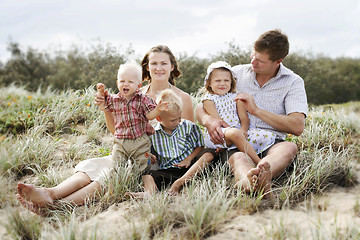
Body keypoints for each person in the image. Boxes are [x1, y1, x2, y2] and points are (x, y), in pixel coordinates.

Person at [16, 45, 195, 214]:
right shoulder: (135, 93)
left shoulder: (182, 97)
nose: (159, 68)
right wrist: (106, 109)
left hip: (153, 161)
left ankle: (57, 207)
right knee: (95, 165)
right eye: (154, 63)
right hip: (128, 148)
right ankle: (51, 193)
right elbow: (115, 129)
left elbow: (185, 137)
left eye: (164, 63)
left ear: (172, 66)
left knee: (109, 174)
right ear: (146, 67)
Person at [196, 29, 308, 198]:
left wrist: (256, 111)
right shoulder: (236, 73)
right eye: (253, 56)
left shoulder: (293, 82)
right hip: (236, 141)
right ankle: (250, 181)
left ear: (278, 61)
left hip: (271, 142)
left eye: (260, 61)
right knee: (239, 157)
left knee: (289, 147)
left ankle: (261, 174)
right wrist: (208, 120)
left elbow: (297, 126)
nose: (253, 62)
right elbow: (202, 103)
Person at [125, 89, 204, 198]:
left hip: (189, 168)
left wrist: (189, 158)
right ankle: (149, 193)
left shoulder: (189, 127)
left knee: (204, 159)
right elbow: (145, 153)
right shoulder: (153, 134)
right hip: (167, 171)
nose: (177, 122)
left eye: (179, 118)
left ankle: (182, 183)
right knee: (147, 175)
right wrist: (149, 156)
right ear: (159, 118)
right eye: (173, 120)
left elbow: (200, 146)